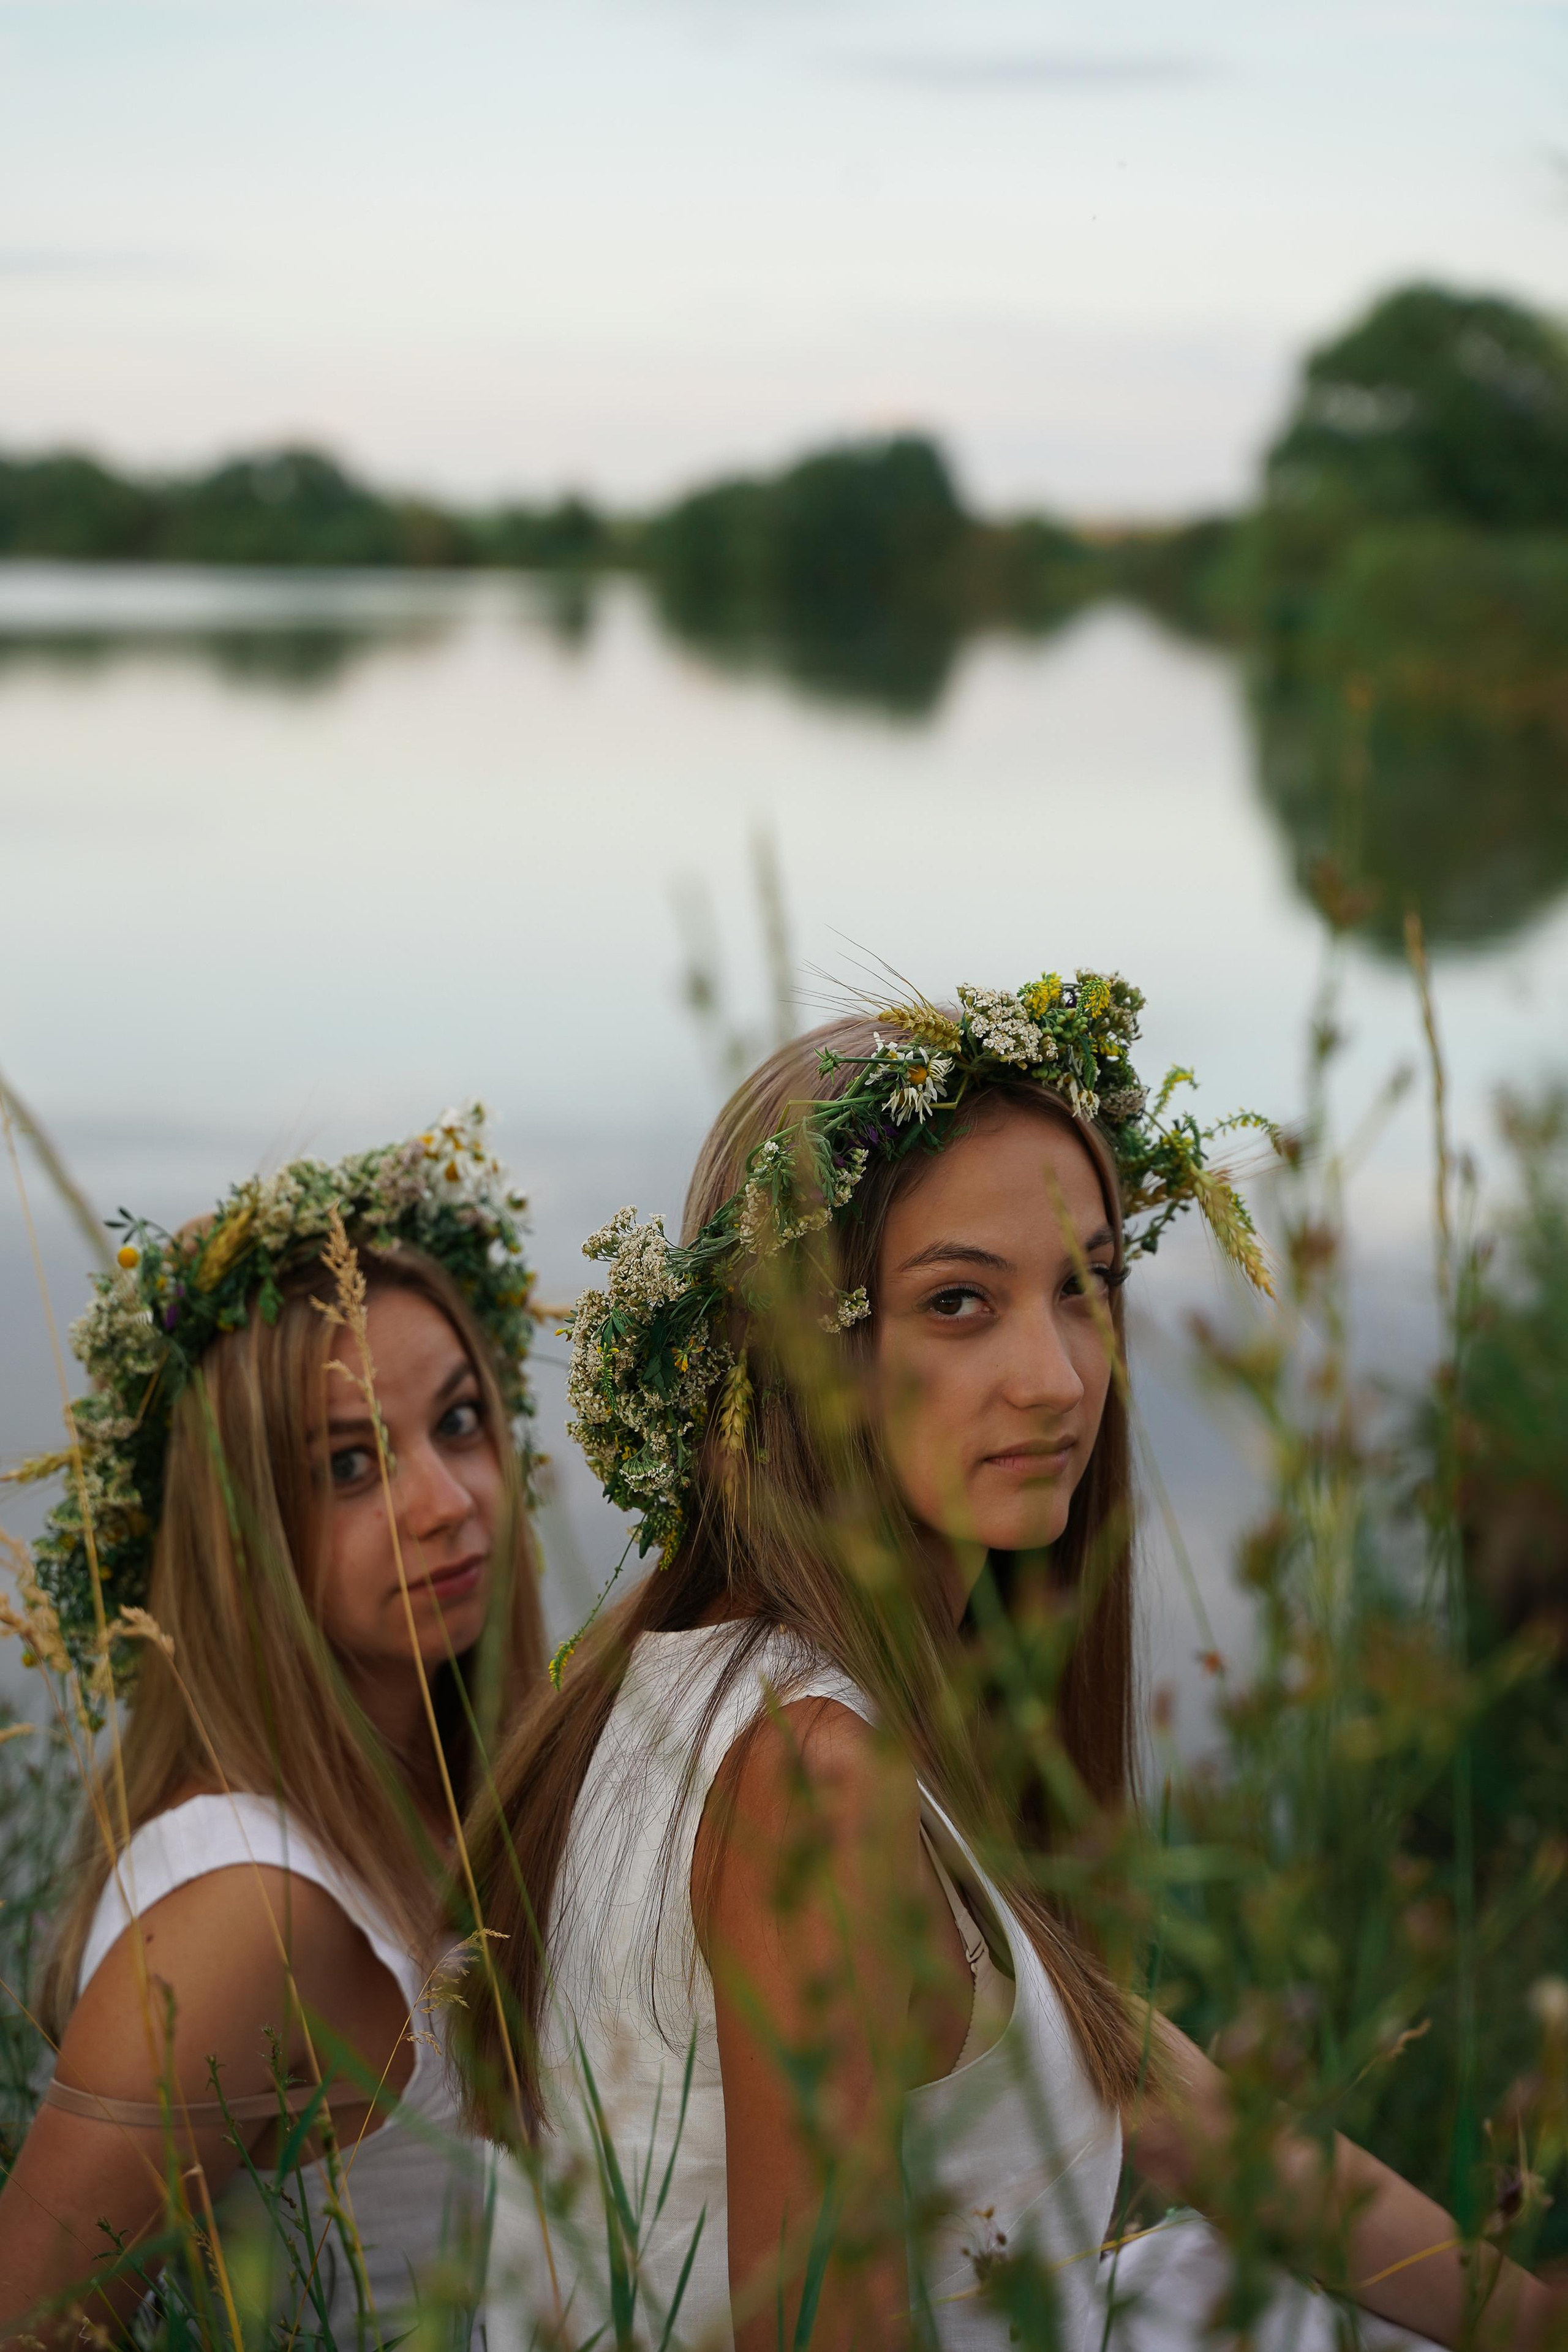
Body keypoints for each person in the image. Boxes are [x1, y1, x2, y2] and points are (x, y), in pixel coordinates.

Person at [462, 975, 1566, 2352]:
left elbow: (1174, 2107)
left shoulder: (694, 1682)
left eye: (1085, 1286)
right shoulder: (811, 1776)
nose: (1056, 1376)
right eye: (957, 1304)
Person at [0, 1108, 544, 2348]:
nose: (444, 1503)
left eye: (458, 1423)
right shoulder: (247, 1903)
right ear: (237, 1534)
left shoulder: (450, 1806)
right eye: (348, 1466)